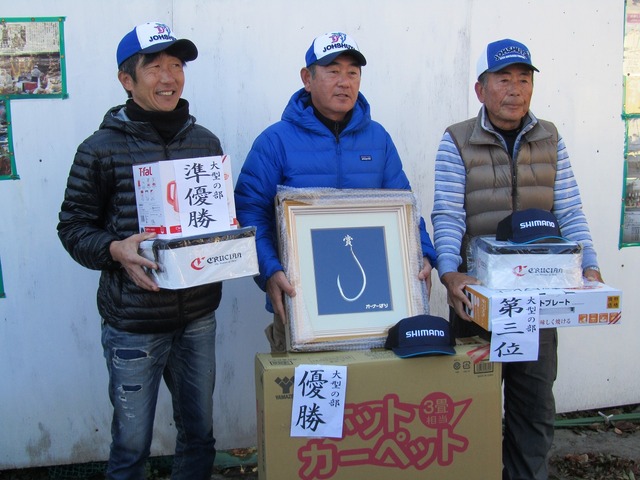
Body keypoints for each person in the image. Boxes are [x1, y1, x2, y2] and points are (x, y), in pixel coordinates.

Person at [431, 38, 603, 480]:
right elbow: (447, 214)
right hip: (478, 302)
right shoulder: (457, 140)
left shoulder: (550, 138)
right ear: (480, 89)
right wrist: (450, 274)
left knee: (533, 405)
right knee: (472, 403)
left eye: (524, 79)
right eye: (503, 79)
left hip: (538, 300)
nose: (515, 89)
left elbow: (569, 210)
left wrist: (589, 264)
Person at [57, 22, 223, 480]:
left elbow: (216, 221)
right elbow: (72, 228)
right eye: (154, 67)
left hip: (197, 316)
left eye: (177, 65)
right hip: (133, 323)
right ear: (126, 80)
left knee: (200, 434)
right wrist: (114, 249)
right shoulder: (99, 149)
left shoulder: (205, 142)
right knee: (131, 445)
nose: (169, 77)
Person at [234, 31, 437, 352]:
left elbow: (404, 208)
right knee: (307, 384)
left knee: (372, 384)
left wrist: (423, 253)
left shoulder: (378, 139)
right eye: (333, 71)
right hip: (301, 305)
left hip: (375, 302)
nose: (344, 82)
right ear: (307, 78)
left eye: (352, 72)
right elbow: (249, 212)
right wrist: (270, 270)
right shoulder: (275, 141)